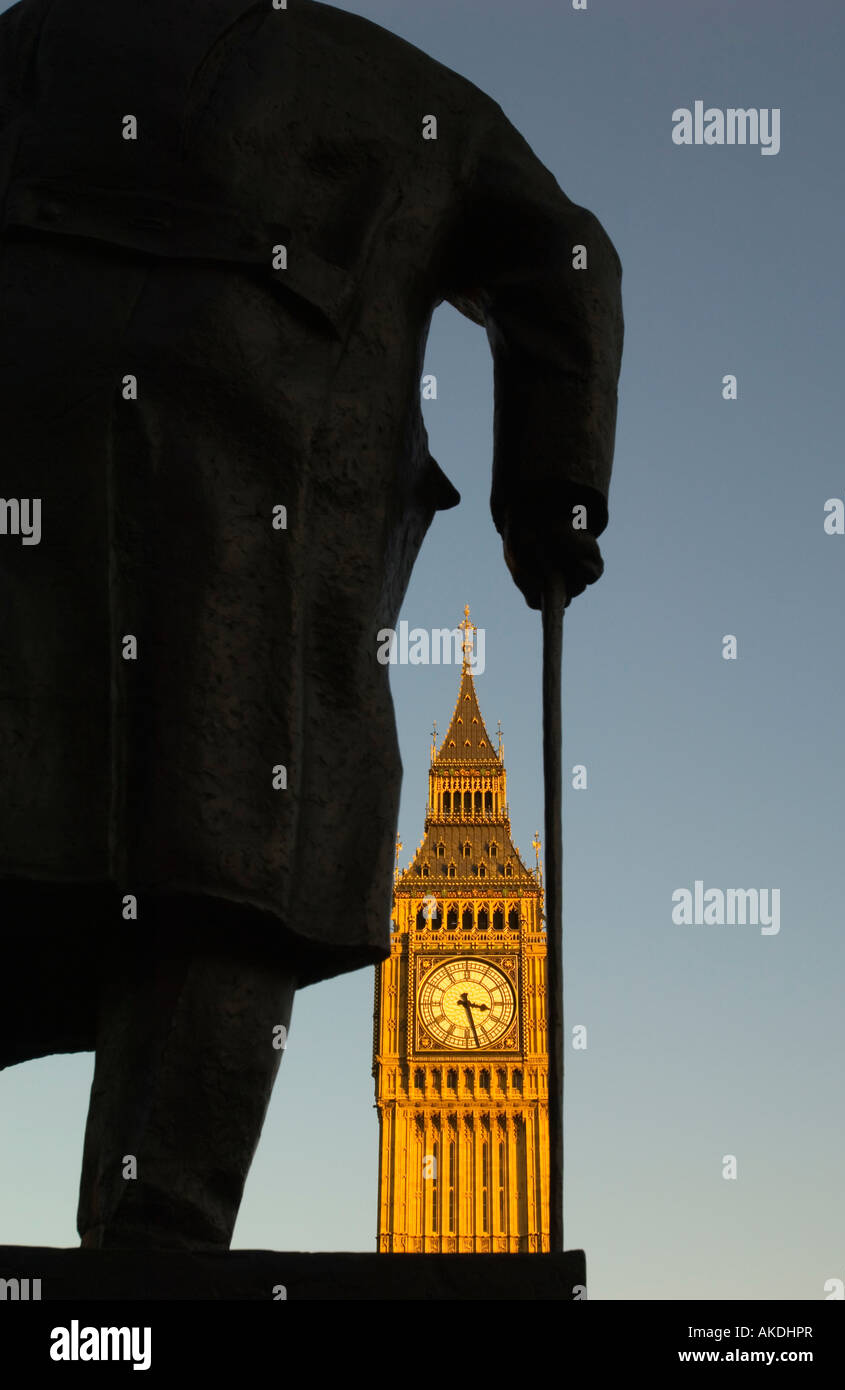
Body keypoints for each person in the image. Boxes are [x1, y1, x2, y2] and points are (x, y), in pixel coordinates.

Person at [0, 0, 623, 1249]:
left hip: (30, 496)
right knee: (240, 863)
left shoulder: (28, 43)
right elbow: (564, 259)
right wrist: (552, 495)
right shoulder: (394, 89)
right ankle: (156, 1243)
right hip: (257, 529)